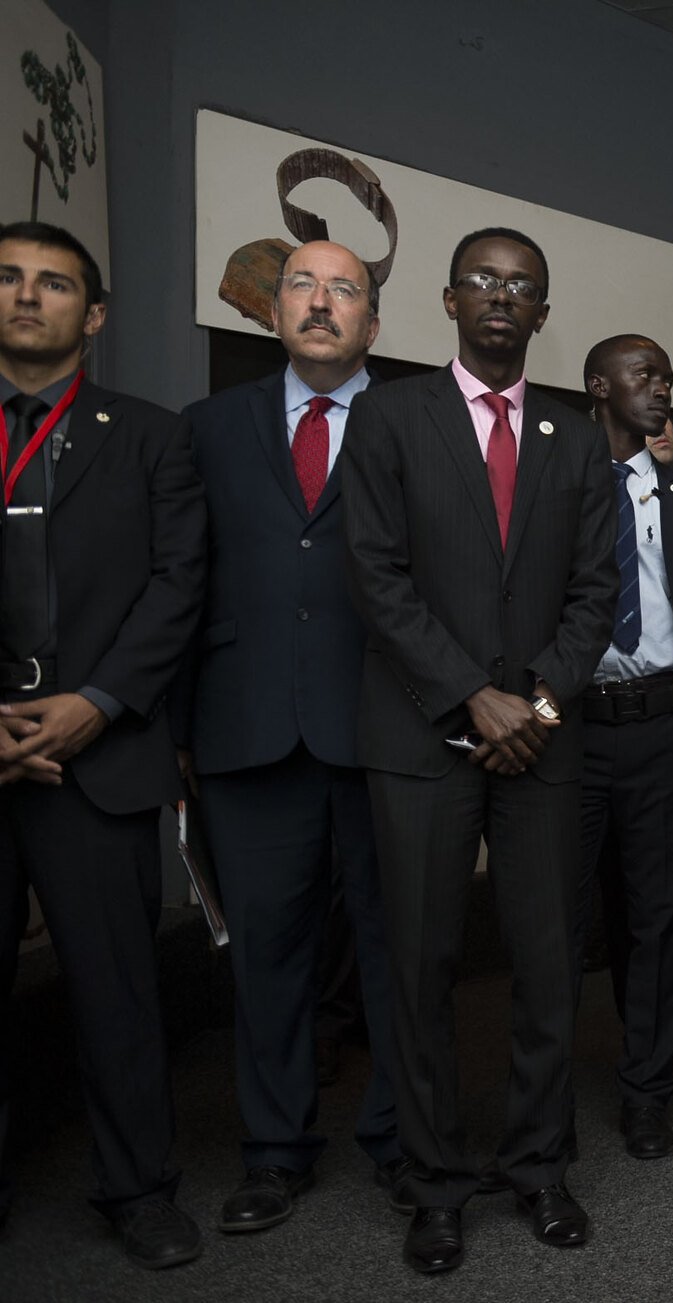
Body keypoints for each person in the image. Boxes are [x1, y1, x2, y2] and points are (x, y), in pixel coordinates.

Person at [339, 227, 615, 1274]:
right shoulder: (389, 414)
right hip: (419, 736)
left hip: (544, 742)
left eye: (523, 287)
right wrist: (470, 694)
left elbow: (599, 593)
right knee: (422, 965)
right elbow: (374, 573)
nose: (503, 297)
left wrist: (535, 706)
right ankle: (437, 1182)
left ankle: (540, 1169)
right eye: (485, 281)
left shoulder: (572, 435)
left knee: (547, 965)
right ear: (451, 300)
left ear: (541, 314)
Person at [177, 239, 405, 1231]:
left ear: (374, 321)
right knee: (265, 956)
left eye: (343, 289)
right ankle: (273, 1151)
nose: (319, 303)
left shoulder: (412, 424)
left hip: (384, 729)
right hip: (246, 729)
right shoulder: (203, 429)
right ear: (271, 313)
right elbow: (176, 582)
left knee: (399, 950)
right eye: (300, 287)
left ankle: (405, 1140)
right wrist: (175, 733)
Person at [0, 221, 207, 1268]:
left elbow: (179, 587)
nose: (26, 295)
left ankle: (138, 1191)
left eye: (52, 282)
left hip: (100, 754)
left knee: (118, 994)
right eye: (8, 278)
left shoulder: (151, 436)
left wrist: (101, 701)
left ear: (96, 313)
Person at [574, 334, 673, 1161]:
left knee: (660, 920)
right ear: (599, 386)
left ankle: (647, 1091)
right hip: (566, 731)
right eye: (645, 375)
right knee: (562, 917)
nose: (661, 388)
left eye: (668, 377)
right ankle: (546, 1097)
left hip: (667, 731)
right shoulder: (555, 481)